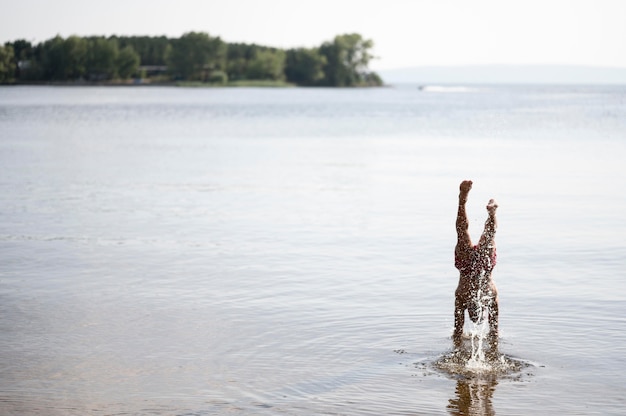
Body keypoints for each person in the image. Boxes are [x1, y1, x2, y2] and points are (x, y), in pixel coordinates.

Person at [453, 180, 499, 349]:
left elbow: (494, 331)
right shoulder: (486, 295)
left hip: (472, 267)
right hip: (473, 267)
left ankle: (491, 213)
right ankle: (464, 201)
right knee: (462, 232)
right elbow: (493, 333)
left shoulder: (489, 295)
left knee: (489, 235)